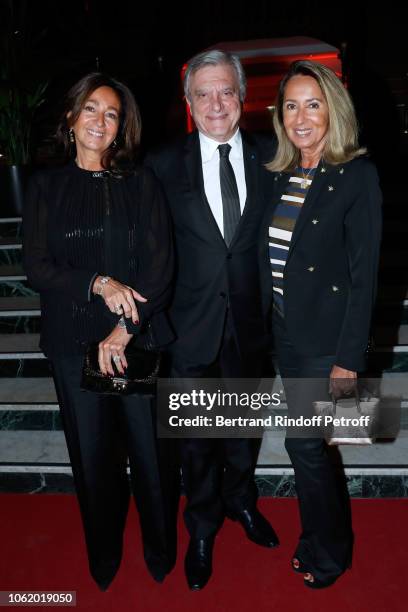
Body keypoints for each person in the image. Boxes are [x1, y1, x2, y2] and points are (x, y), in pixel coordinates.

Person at [22, 73, 176, 591]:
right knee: (92, 456)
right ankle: (104, 555)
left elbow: (160, 267)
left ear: (121, 127)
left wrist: (124, 330)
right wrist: (97, 282)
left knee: (148, 455)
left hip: (130, 342)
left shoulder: (140, 183)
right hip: (72, 342)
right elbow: (37, 267)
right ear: (71, 118)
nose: (100, 121)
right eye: (91, 109)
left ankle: (159, 551)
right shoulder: (45, 186)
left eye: (111, 114)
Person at [146, 50, 279, 591]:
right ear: (188, 102)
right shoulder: (160, 164)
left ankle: (241, 501)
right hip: (190, 329)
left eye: (226, 91)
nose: (216, 103)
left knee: (244, 430)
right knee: (198, 442)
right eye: (204, 93)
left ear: (243, 96)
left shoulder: (273, 156)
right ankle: (201, 526)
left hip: (251, 325)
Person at [259, 60, 382, 588]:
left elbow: (365, 277)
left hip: (326, 337)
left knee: (304, 444)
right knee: (312, 444)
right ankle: (320, 538)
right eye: (291, 105)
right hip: (285, 330)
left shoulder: (356, 174)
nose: (301, 117)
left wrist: (347, 361)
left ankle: (329, 553)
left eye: (313, 104)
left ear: (333, 109)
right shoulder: (280, 172)